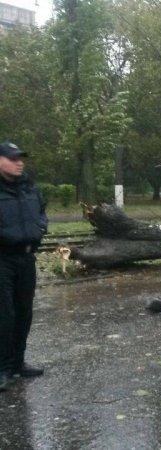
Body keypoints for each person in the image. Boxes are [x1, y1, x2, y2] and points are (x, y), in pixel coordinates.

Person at [0, 142, 47, 392]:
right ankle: (3, 368)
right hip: (2, 259)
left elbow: (41, 210)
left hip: (26, 258)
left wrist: (41, 227)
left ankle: (18, 362)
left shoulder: (29, 186)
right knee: (4, 315)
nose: (20, 162)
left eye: (21, 158)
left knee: (23, 312)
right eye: (13, 158)